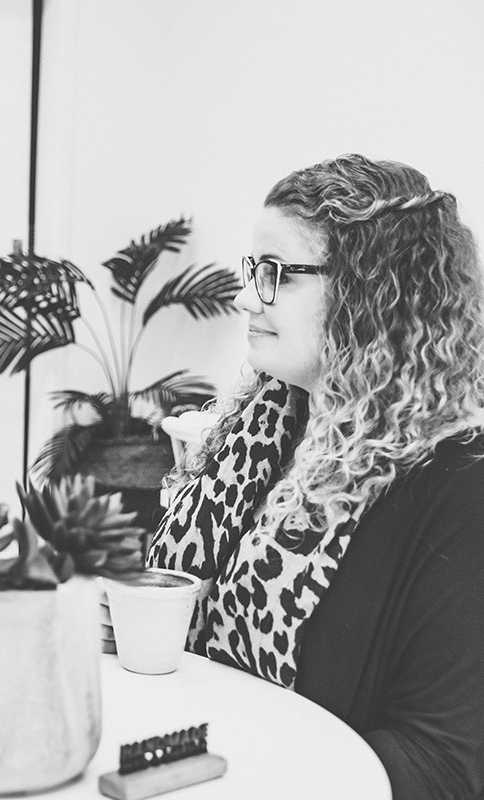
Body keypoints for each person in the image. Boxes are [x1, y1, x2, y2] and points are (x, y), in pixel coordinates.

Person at [148, 154, 484, 799]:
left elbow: (441, 764)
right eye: (254, 269)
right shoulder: (263, 423)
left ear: (375, 291)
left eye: (278, 273)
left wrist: (248, 773)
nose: (247, 297)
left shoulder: (459, 483)